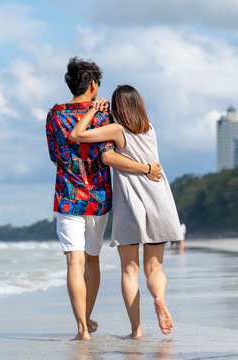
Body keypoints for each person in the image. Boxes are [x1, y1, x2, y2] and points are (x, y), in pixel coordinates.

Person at [45, 58, 162, 340]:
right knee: (92, 260)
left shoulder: (54, 115)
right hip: (98, 197)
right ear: (94, 85)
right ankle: (86, 317)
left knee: (73, 263)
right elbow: (109, 155)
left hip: (67, 196)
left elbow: (54, 156)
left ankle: (82, 329)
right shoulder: (103, 116)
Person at [69, 84, 182, 338]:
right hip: (160, 199)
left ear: (116, 107)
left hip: (131, 204)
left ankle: (136, 330)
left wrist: (94, 110)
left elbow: (77, 135)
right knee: (154, 268)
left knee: (129, 269)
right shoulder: (150, 129)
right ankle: (160, 299)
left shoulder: (116, 130)